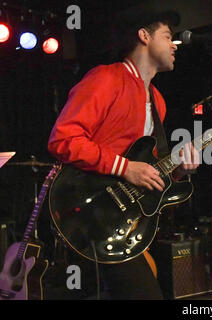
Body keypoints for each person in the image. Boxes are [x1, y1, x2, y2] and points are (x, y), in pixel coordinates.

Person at [47, 10, 199, 299]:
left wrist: (179, 170)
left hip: (125, 220)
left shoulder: (158, 101)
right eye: (168, 37)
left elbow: (150, 168)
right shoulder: (106, 78)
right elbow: (63, 139)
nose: (174, 45)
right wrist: (124, 167)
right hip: (91, 208)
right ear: (144, 36)